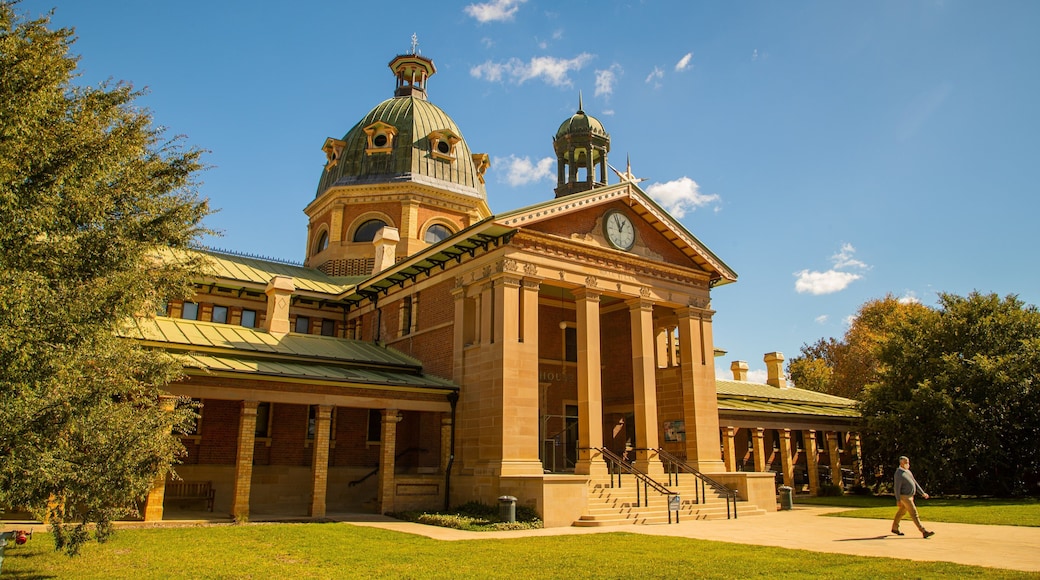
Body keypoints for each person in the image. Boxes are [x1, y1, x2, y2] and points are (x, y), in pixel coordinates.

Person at [891, 455, 935, 538]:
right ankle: (923, 531)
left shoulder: (908, 471)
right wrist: (898, 499)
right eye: (906, 462)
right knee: (914, 513)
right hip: (905, 496)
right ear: (901, 463)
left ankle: (894, 528)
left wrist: (922, 493)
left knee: (901, 512)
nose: (908, 464)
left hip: (910, 496)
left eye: (908, 462)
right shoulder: (898, 474)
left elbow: (915, 483)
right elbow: (896, 488)